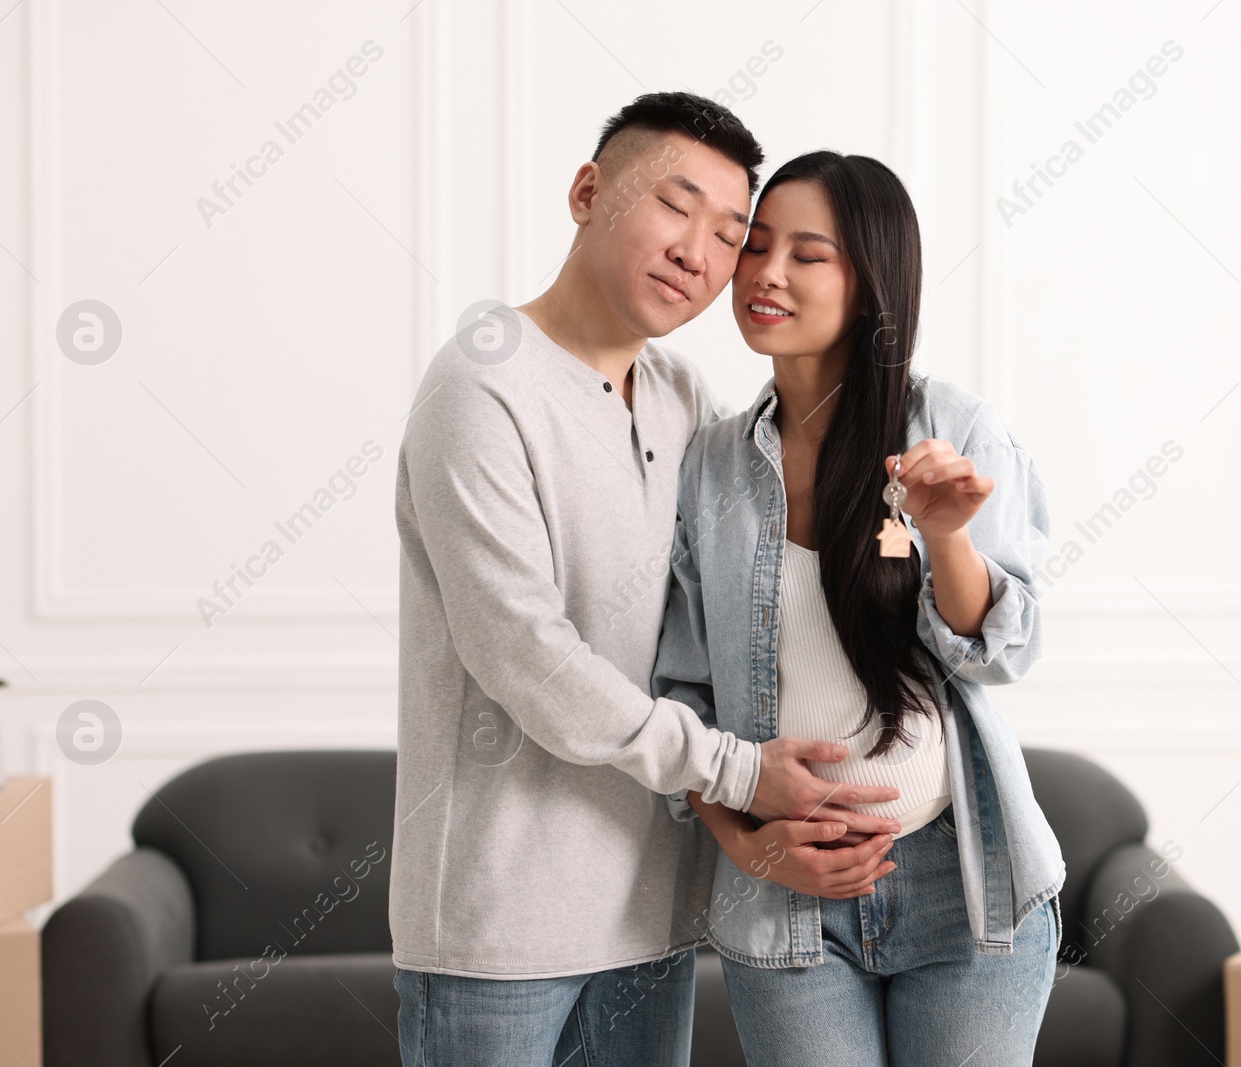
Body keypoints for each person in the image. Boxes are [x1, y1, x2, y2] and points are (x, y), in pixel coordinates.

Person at [390, 94, 908, 1067]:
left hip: (651, 919)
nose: (699, 254)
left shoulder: (683, 401)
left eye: (729, 235)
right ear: (588, 192)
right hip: (497, 931)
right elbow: (524, 651)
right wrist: (744, 772)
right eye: (675, 207)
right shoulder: (481, 384)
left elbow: (720, 631)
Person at [652, 150, 1066, 1066]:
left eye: (809, 254)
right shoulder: (711, 465)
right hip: (785, 894)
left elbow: (1000, 650)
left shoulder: (949, 429)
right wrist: (752, 851)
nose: (765, 273)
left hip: (962, 887)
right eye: (755, 246)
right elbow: (683, 697)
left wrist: (947, 535)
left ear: (872, 282)